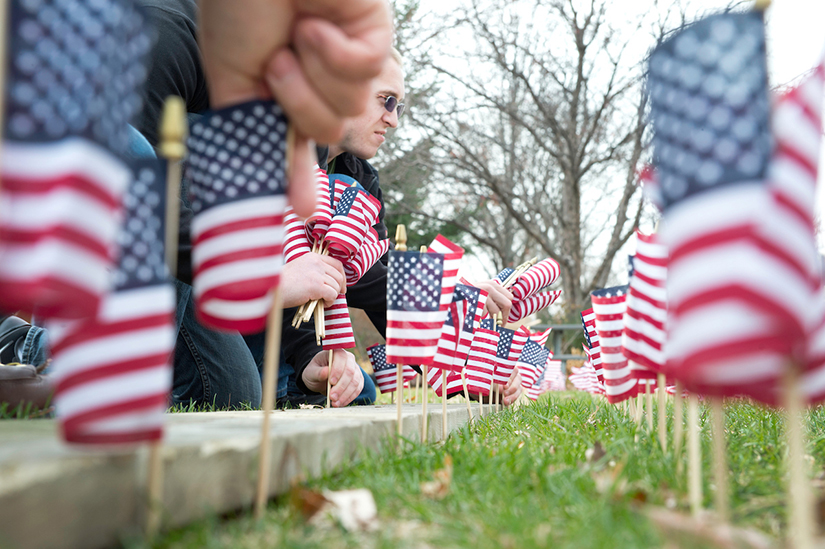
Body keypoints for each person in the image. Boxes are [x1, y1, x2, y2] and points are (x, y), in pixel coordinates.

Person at [0, 0, 393, 410]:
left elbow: (291, 254)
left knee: (237, 393)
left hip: (188, 260)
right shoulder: (166, 33)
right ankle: (47, 348)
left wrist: (309, 354)